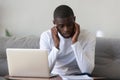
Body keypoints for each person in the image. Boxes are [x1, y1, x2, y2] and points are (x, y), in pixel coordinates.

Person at [40, 5, 96, 76]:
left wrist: (75, 43)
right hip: (56, 76)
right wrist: (56, 47)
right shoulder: (46, 36)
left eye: (69, 25)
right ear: (54, 23)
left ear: (74, 19)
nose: (66, 29)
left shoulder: (88, 36)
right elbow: (44, 71)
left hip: (78, 76)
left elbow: (87, 70)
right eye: (61, 26)